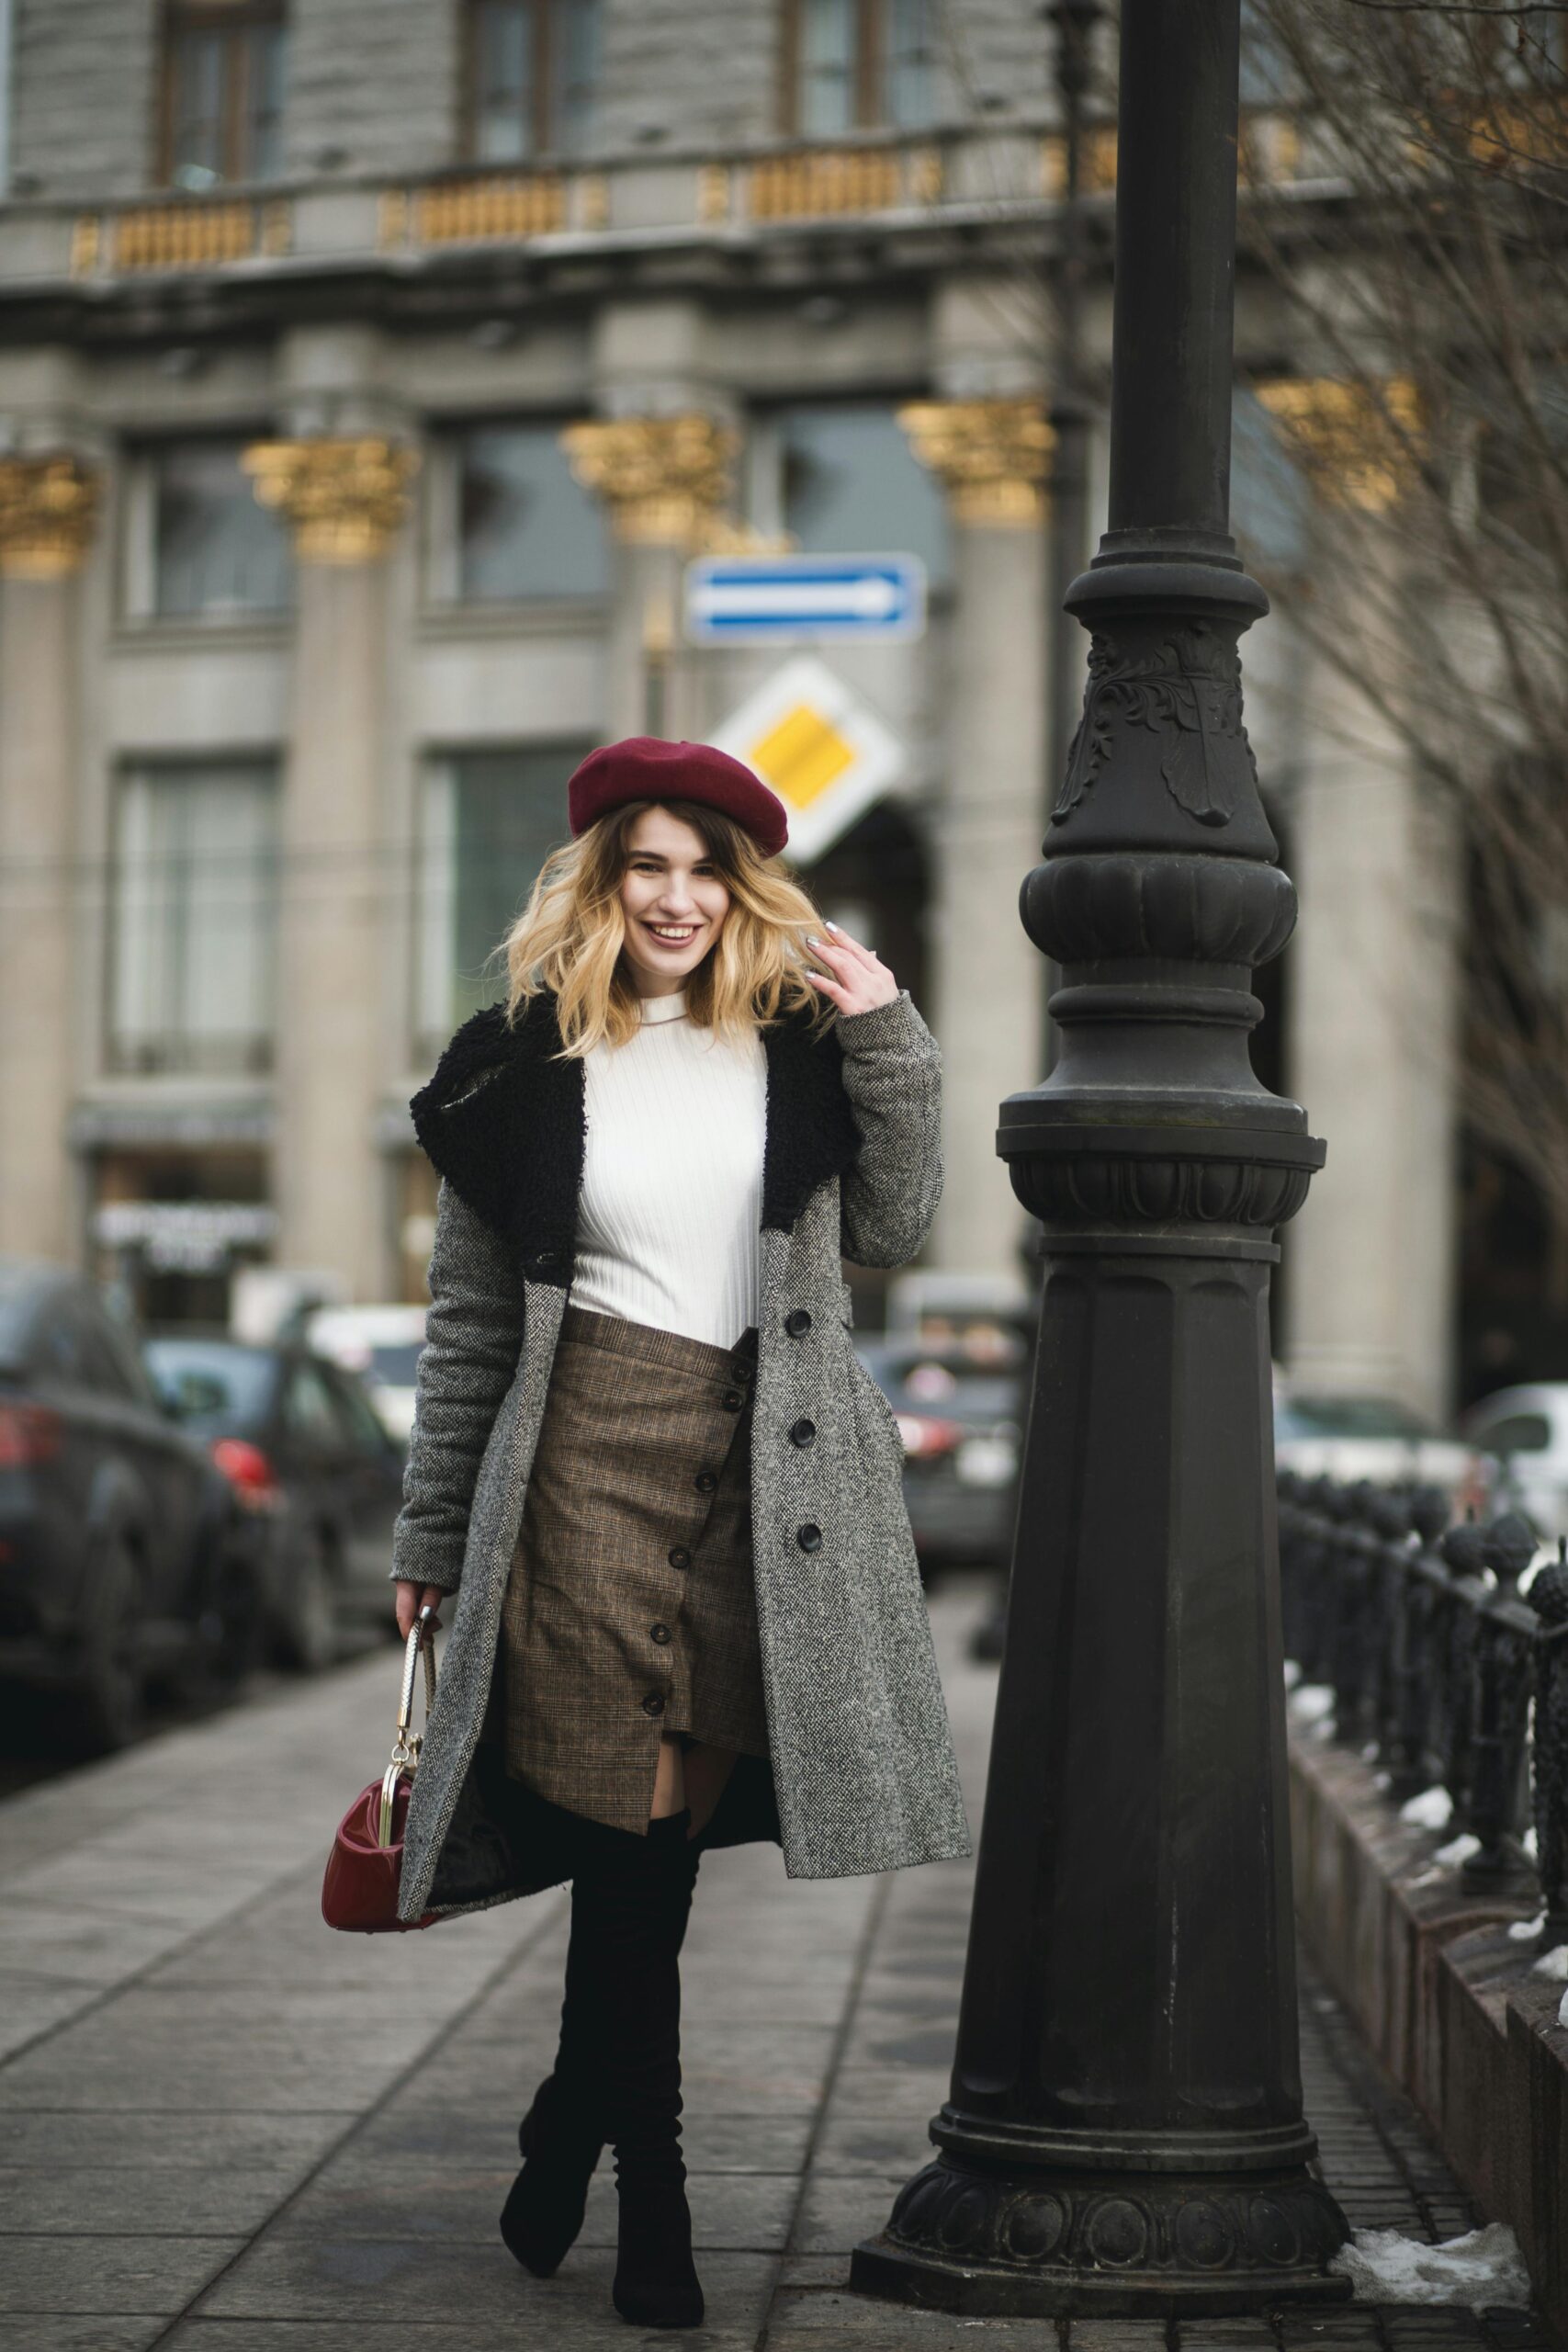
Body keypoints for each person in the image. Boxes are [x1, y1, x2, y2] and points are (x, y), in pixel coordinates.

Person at [390, 734, 969, 2331]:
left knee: (653, 1862)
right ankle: (657, 2201)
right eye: (645, 865)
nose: (676, 897)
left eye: (706, 868)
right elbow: (464, 1334)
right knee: (629, 1835)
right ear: (599, 879)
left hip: (762, 1481)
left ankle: (568, 2120)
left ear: (746, 887)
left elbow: (907, 1226)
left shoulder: (797, 1049)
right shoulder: (514, 1067)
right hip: (580, 1468)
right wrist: (433, 1533)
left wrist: (893, 1038)